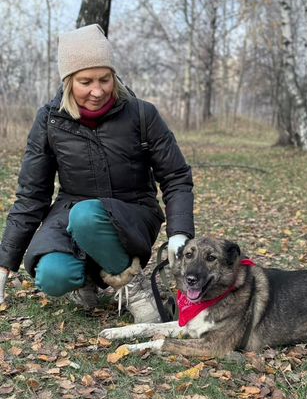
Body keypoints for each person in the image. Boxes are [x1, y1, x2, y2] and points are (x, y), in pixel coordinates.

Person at [0, 24, 194, 322]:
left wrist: (180, 233)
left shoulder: (142, 115)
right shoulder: (50, 121)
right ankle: (88, 278)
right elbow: (32, 195)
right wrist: (5, 262)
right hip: (72, 212)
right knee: (53, 276)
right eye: (85, 81)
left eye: (105, 78)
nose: (98, 90)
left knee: (87, 215)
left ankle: (136, 289)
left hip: (133, 213)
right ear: (68, 81)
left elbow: (176, 177)